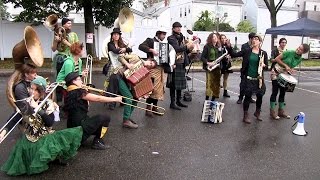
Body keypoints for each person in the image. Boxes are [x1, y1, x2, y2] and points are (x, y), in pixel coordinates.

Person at [1, 76, 82, 176]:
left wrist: (38, 108)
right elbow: (14, 119)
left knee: (52, 146)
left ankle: (54, 157)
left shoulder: (48, 103)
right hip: (31, 137)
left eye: (36, 90)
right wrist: (4, 131)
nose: (32, 92)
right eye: (31, 88)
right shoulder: (25, 103)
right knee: (30, 158)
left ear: (42, 92)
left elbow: (49, 122)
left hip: (45, 135)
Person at [64, 72, 122, 150]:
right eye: (79, 80)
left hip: (74, 125)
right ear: (74, 82)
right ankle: (96, 142)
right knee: (105, 118)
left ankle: (89, 139)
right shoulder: (77, 92)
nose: (81, 81)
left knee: (99, 121)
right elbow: (98, 98)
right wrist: (115, 99)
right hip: (79, 127)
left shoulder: (70, 92)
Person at [106, 28, 150, 128]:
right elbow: (117, 53)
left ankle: (127, 117)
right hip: (117, 74)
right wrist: (126, 56)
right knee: (129, 98)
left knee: (136, 97)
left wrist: (126, 49)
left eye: (118, 34)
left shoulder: (125, 48)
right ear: (112, 35)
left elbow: (130, 50)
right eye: (114, 34)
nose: (116, 36)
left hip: (126, 74)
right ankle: (125, 120)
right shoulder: (110, 45)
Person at [227, 34, 268, 124]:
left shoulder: (263, 53)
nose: (254, 40)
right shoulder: (247, 51)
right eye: (253, 39)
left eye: (256, 39)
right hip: (248, 78)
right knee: (248, 97)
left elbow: (267, 67)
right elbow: (234, 54)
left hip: (259, 79)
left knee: (260, 96)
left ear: (260, 42)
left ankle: (257, 112)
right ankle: (245, 115)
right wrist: (229, 46)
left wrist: (264, 65)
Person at [269, 44, 310, 120]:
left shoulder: (299, 59)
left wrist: (291, 70)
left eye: (300, 49)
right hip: (276, 72)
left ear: (303, 52)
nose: (298, 49)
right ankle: (272, 112)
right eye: (298, 47)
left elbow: (290, 67)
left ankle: (281, 111)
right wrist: (285, 66)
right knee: (275, 92)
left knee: (283, 92)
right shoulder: (289, 52)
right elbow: (277, 59)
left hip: (284, 74)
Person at [0, 64, 38, 143]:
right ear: (26, 74)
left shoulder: (31, 82)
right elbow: (25, 109)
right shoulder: (20, 88)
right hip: (25, 114)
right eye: (33, 73)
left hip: (31, 111)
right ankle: (4, 132)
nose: (36, 75)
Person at [138, 27, 167, 117]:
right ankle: (148, 109)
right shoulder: (150, 40)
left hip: (160, 68)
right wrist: (151, 50)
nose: (164, 36)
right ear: (158, 33)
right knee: (151, 88)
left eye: (165, 34)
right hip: (152, 68)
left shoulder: (164, 44)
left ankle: (155, 107)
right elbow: (141, 46)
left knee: (158, 89)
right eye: (163, 34)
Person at [167, 22, 194, 110]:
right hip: (174, 63)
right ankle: (172, 103)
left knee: (180, 85)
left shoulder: (182, 37)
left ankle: (179, 101)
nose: (179, 28)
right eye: (177, 27)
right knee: (173, 84)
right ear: (173, 28)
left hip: (182, 62)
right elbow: (177, 49)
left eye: (180, 27)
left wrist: (191, 49)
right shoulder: (171, 38)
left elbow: (184, 51)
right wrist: (187, 46)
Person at [52, 18, 79, 104]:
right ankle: (59, 102)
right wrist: (56, 41)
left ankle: (70, 100)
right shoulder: (58, 34)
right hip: (61, 59)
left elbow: (77, 48)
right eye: (68, 23)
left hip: (71, 59)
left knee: (70, 80)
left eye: (71, 23)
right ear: (63, 25)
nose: (70, 25)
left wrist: (66, 42)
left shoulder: (74, 35)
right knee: (60, 80)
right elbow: (53, 49)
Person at [201, 32, 223, 101]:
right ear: (210, 38)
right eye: (214, 37)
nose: (215, 38)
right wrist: (208, 63)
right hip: (210, 66)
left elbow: (220, 57)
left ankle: (213, 100)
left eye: (216, 37)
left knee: (216, 83)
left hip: (217, 66)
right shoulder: (207, 46)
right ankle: (207, 99)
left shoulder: (219, 46)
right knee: (209, 83)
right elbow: (202, 57)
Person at [238, 32, 256, 104]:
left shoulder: (256, 46)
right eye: (254, 38)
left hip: (253, 69)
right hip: (245, 68)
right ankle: (240, 98)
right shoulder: (244, 46)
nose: (255, 40)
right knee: (243, 84)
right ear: (251, 39)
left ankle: (250, 97)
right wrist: (252, 48)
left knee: (251, 84)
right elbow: (244, 54)